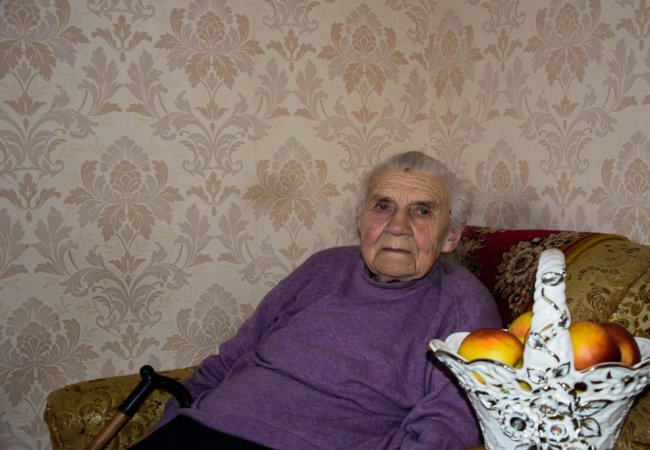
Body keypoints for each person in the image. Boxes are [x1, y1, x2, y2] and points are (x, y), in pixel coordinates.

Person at [130, 151, 502, 449]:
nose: (397, 226)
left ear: (451, 236)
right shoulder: (323, 267)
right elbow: (230, 358)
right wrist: (171, 422)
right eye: (382, 206)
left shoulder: (463, 305)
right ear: (361, 220)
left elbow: (445, 427)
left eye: (422, 211)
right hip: (198, 429)